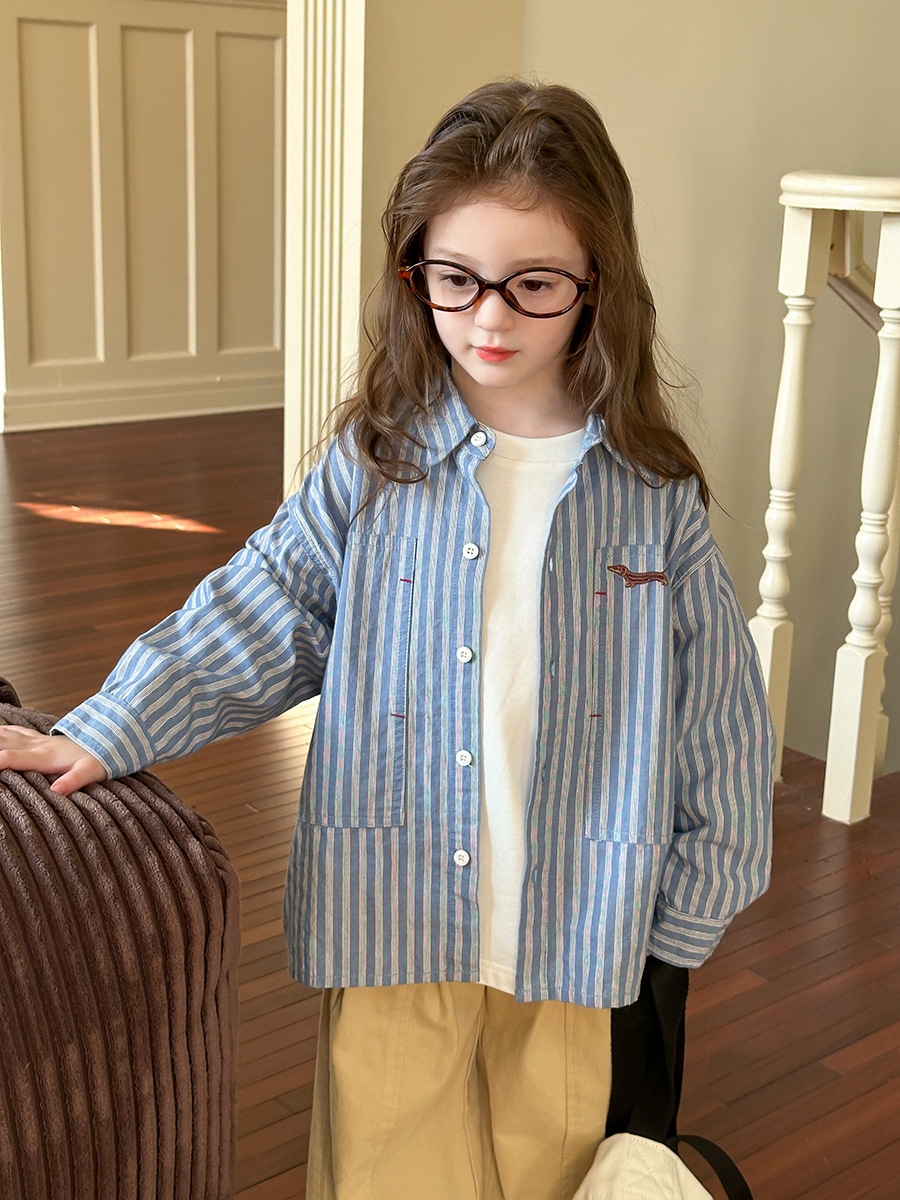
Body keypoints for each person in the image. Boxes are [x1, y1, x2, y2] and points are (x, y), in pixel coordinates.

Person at [0, 80, 774, 1199]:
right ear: (416, 273)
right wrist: (111, 725)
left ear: (598, 285)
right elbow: (261, 605)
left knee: (555, 1179)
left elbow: (719, 727)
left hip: (578, 936)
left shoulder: (654, 501)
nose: (490, 319)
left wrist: (687, 913)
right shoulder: (373, 467)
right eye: (456, 279)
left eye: (534, 285)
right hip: (390, 917)